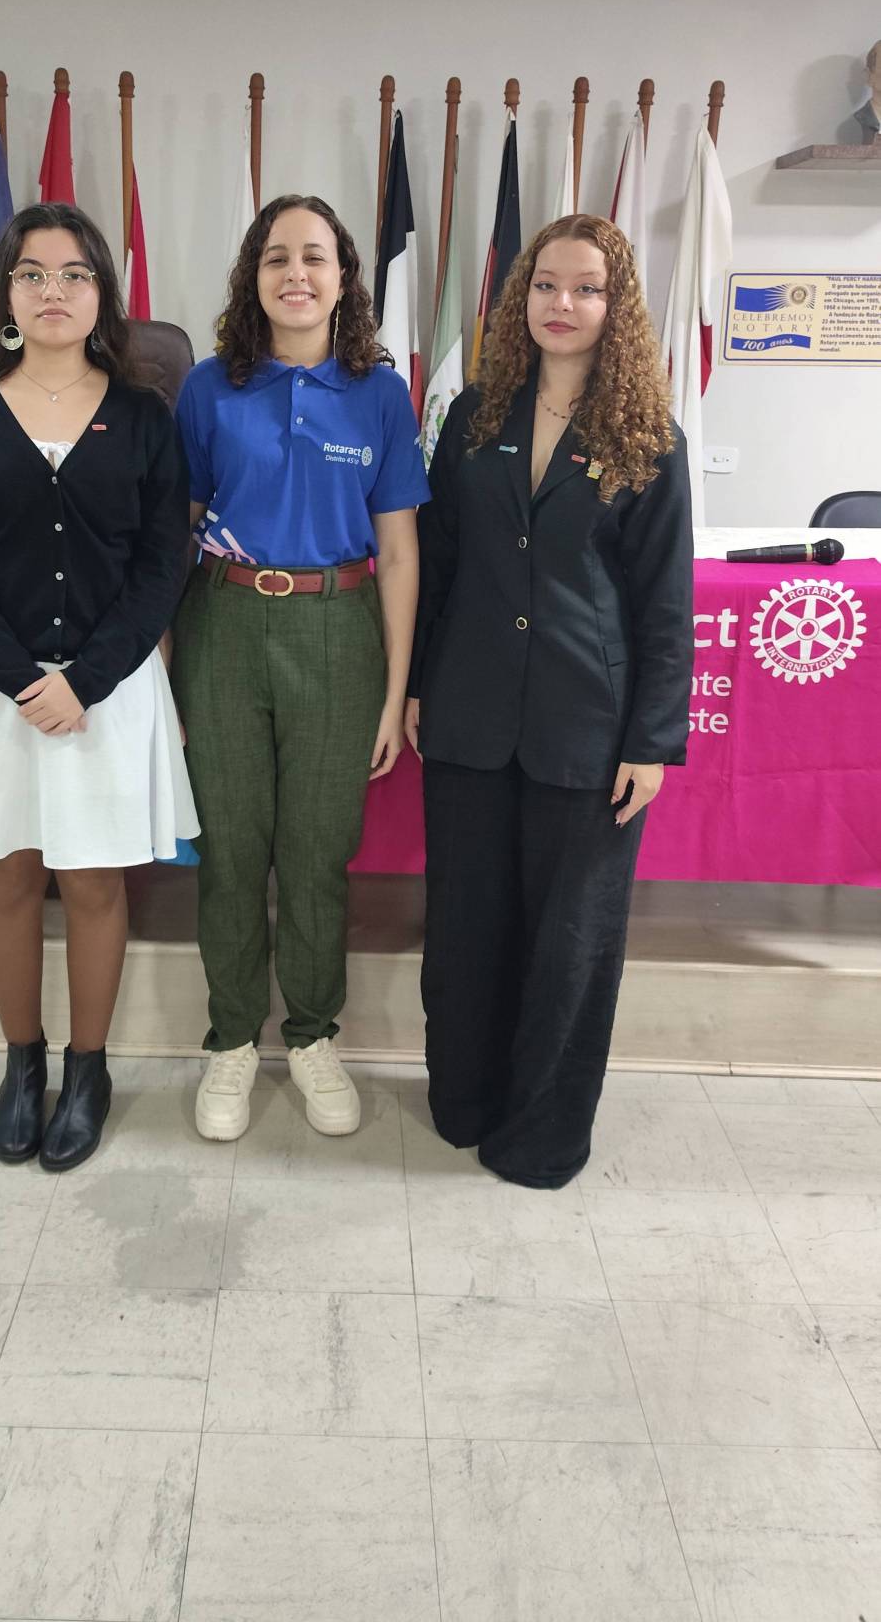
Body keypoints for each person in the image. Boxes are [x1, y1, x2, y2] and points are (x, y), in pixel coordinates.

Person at [405, 213, 693, 1188]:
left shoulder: (648, 436)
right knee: (466, 930)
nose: (560, 304)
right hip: (467, 716)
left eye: (583, 288)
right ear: (517, 298)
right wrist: (412, 688)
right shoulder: (474, 415)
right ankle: (463, 1103)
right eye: (543, 285)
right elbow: (437, 565)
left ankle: (539, 1135)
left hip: (588, 726)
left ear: (614, 308)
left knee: (568, 947)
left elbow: (663, 602)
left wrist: (650, 740)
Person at [0, 202, 197, 1171]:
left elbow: (164, 560)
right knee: (7, 874)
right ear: (6, 296)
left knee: (92, 877)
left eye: (74, 273)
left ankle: (87, 1069)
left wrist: (87, 678)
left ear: (102, 293)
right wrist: (20, 678)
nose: (53, 291)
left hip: (106, 693)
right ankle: (20, 1064)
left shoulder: (145, 415)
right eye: (32, 274)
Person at [170, 193, 428, 1142]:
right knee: (231, 852)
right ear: (254, 275)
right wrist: (169, 674)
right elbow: (175, 533)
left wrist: (395, 692)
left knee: (317, 857)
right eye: (277, 256)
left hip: (339, 630)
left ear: (344, 277)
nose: (297, 274)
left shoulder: (379, 393)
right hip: (223, 627)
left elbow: (400, 553)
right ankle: (233, 1040)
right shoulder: (208, 387)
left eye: (316, 257)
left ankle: (315, 1036)